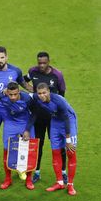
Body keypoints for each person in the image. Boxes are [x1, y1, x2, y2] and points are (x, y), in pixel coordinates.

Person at [0, 46, 32, 181]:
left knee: (18, 137)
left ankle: (19, 168)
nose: (0, 60)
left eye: (2, 57)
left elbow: (24, 85)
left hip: (11, 108)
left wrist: (38, 92)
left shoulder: (15, 71)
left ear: (6, 57)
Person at [24, 51, 68, 183]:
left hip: (54, 118)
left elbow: (62, 93)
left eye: (44, 63)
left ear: (49, 62)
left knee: (59, 146)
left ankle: (63, 172)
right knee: (38, 144)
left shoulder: (57, 75)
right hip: (39, 116)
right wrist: (32, 91)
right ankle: (37, 172)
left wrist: (55, 106)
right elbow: (23, 80)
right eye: (39, 63)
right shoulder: (32, 71)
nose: (41, 65)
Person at [32, 82, 78, 196]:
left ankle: (70, 185)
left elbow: (66, 118)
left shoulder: (58, 100)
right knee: (55, 151)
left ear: (49, 92)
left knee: (71, 152)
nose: (42, 95)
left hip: (68, 121)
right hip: (55, 121)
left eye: (44, 93)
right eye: (39, 93)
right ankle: (59, 182)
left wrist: (68, 140)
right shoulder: (37, 98)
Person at [0, 82, 36, 190]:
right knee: (7, 150)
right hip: (10, 122)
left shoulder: (26, 98)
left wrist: (27, 129)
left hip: (24, 122)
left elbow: (34, 114)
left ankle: (29, 179)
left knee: (30, 150)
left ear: (19, 92)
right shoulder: (1, 95)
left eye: (15, 94)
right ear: (6, 92)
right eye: (10, 94)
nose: (12, 97)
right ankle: (8, 179)